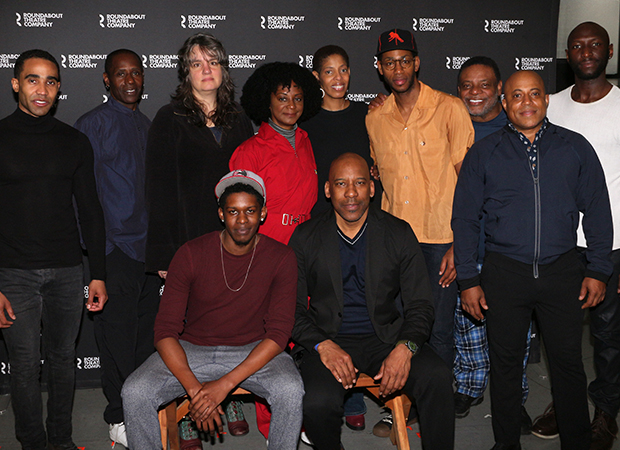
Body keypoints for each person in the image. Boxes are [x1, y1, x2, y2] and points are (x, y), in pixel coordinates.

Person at [452, 70, 613, 450]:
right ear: (505, 103)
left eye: (535, 94)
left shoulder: (575, 147)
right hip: (504, 274)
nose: (527, 102)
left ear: (546, 100)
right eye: (517, 96)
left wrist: (598, 268)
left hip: (563, 273)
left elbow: (598, 211)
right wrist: (467, 280)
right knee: (506, 369)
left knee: (568, 367)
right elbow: (464, 217)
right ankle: (506, 444)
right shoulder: (483, 153)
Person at [122, 170, 303, 450]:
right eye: (233, 211)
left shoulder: (281, 257)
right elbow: (165, 330)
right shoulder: (191, 253)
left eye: (250, 211)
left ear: (263, 212)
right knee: (135, 391)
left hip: (254, 350)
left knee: (291, 390)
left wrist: (223, 386)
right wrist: (196, 392)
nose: (242, 221)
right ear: (221, 214)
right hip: (193, 348)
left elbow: (279, 334)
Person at [290, 153, 455, 450]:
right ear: (327, 190)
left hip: (387, 338)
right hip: (330, 339)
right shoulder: (305, 237)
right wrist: (322, 346)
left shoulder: (398, 233)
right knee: (316, 402)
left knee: (438, 377)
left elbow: (421, 304)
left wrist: (406, 348)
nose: (351, 193)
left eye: (359, 183)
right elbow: (291, 309)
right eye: (341, 183)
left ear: (372, 188)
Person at [144, 33, 254, 442]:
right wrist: (164, 254)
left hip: (235, 241)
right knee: (189, 328)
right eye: (196, 62)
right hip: (187, 241)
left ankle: (231, 396)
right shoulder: (168, 118)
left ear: (223, 68)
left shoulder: (240, 119)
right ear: (185, 72)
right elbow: (156, 190)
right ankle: (189, 410)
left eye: (212, 61)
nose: (206, 69)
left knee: (232, 320)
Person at [0, 49, 107, 450]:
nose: (42, 89)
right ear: (15, 84)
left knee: (63, 362)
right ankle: (32, 442)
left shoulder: (74, 141)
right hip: (13, 273)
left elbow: (92, 211)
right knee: (25, 366)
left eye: (50, 81)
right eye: (32, 79)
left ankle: (60, 440)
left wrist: (97, 273)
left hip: (66, 271)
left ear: (59, 88)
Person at [531, 21, 620, 450]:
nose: (586, 52)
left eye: (594, 44)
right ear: (568, 54)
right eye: (577, 46)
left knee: (607, 336)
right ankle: (565, 405)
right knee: (561, 335)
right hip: (561, 245)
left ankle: (605, 413)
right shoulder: (550, 106)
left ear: (609, 49)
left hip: (612, 245)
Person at [366, 28, 474, 368]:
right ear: (379, 68)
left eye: (404, 61)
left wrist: (462, 244)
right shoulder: (374, 118)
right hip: (393, 241)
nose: (398, 70)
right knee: (397, 328)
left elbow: (470, 186)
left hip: (439, 240)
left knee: (438, 330)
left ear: (417, 64)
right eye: (389, 63)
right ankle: (402, 404)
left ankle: (433, 413)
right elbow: (378, 173)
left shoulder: (450, 109)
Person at [74, 49, 161, 448]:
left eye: (135, 73)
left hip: (148, 251)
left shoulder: (147, 125)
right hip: (114, 250)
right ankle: (118, 416)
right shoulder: (92, 124)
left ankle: (142, 406)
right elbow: (82, 194)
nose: (130, 80)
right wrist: (99, 255)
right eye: (120, 74)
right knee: (116, 340)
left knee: (146, 338)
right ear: (107, 80)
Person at [452, 56, 532, 431]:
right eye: (466, 85)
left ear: (500, 89)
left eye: (484, 84)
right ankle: (468, 386)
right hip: (465, 249)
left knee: (515, 337)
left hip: (510, 254)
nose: (475, 93)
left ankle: (513, 397)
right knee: (466, 329)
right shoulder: (447, 125)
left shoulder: (521, 126)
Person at [301, 44, 376, 432]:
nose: (338, 79)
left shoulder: (367, 114)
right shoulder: (307, 120)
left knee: (360, 302)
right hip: (321, 225)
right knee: (328, 308)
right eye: (328, 72)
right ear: (317, 77)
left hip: (361, 223)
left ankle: (356, 393)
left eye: (344, 70)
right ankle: (330, 383)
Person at [230, 61, 322, 244]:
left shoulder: (306, 142)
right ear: (267, 101)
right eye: (282, 98)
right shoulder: (249, 151)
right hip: (268, 242)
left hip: (307, 242)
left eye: (298, 98)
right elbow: (238, 212)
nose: (292, 106)